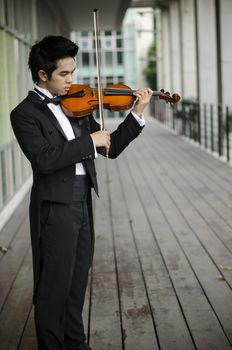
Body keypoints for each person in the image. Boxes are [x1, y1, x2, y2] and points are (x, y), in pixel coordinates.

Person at [10, 35, 153, 350]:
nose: (71, 81)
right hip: (55, 207)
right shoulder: (23, 114)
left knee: (77, 280)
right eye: (64, 74)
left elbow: (109, 148)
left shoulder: (75, 104)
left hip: (82, 198)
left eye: (72, 73)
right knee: (53, 286)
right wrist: (89, 141)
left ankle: (75, 342)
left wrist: (137, 114)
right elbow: (46, 160)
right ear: (43, 74)